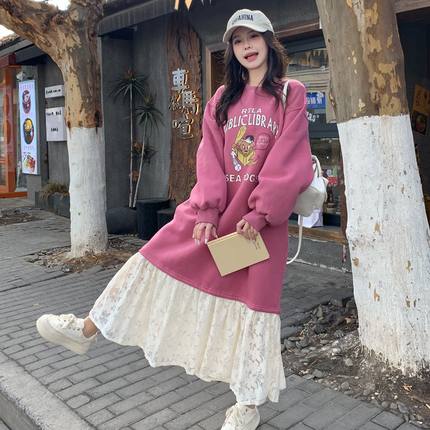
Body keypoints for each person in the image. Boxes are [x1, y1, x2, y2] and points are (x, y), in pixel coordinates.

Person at [36, 8, 313, 430]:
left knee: (254, 309)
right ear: (232, 50)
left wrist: (260, 213)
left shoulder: (290, 94)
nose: (247, 47)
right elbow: (209, 157)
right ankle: (87, 329)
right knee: (153, 259)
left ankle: (247, 406)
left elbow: (290, 160)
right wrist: (206, 210)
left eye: (253, 37)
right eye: (238, 41)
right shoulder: (222, 100)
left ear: (269, 41)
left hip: (258, 228)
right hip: (213, 216)